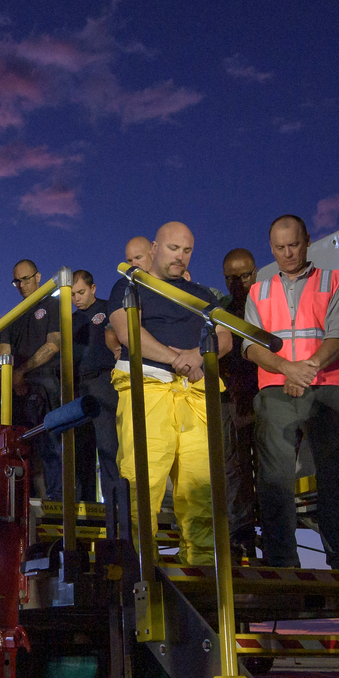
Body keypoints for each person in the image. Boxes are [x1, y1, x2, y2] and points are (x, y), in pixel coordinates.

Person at [109, 222, 232, 566]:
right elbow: (127, 333)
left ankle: (204, 570)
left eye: (187, 250)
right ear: (154, 247)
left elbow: (225, 337)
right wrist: (177, 358)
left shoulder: (204, 295)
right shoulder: (129, 285)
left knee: (200, 489)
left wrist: (198, 356)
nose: (180, 256)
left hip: (196, 394)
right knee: (141, 483)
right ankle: (139, 568)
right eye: (173, 248)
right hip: (149, 390)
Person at [245, 216, 339, 570]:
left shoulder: (333, 281)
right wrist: (288, 370)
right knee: (274, 481)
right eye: (279, 248)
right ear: (271, 248)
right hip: (277, 390)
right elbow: (251, 347)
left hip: (325, 388)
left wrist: (306, 369)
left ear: (307, 241)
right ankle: (283, 564)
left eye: (293, 245)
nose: (287, 253)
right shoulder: (258, 291)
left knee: (335, 476)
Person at [90, 240, 156, 540]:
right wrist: (120, 351)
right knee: (126, 455)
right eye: (129, 259)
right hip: (134, 380)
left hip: (171, 382)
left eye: (138, 257)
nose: (133, 265)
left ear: (154, 252)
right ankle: (130, 536)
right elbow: (116, 332)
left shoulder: (173, 288)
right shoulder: (125, 288)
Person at [6, 259, 64, 497]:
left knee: (51, 443)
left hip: (46, 381)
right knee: (23, 446)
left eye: (26, 279)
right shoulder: (14, 315)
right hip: (19, 387)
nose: (21, 285)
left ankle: (57, 498)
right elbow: (5, 353)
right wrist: (13, 377)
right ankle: (28, 498)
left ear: (38, 277)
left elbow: (54, 344)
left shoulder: (53, 305)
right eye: (16, 281)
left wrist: (21, 371)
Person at [220, 248, 262, 553]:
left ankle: (274, 534)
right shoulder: (219, 312)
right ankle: (242, 535)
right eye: (231, 278)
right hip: (231, 400)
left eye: (244, 275)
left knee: (269, 467)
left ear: (255, 273)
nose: (239, 283)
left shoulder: (267, 304)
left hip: (266, 396)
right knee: (234, 468)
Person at [67, 271, 110, 502]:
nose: (77, 298)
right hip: (80, 386)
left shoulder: (109, 308)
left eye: (81, 292)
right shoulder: (71, 321)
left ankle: (114, 502)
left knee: (108, 448)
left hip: (105, 381)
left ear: (93, 288)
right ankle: (87, 504)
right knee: (82, 449)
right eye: (72, 294)